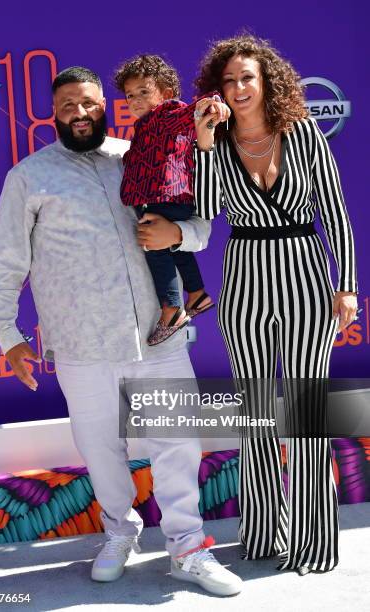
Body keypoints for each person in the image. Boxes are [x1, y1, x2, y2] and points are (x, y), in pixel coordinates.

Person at [0, 66, 242, 597]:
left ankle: (188, 547)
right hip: (82, 344)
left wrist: (182, 232)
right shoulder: (29, 177)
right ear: (54, 115)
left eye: (90, 103)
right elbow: (5, 263)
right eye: (68, 106)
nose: (81, 113)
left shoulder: (142, 153)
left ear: (107, 106)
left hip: (159, 333)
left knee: (177, 443)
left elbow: (203, 221)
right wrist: (7, 336)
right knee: (101, 447)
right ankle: (120, 532)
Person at [192, 35, 358, 575]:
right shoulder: (215, 141)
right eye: (229, 81)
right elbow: (208, 207)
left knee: (306, 412)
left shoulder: (304, 134)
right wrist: (205, 141)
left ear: (267, 82)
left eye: (247, 78)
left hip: (307, 280)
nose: (239, 89)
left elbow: (335, 213)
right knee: (257, 411)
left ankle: (313, 542)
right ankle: (265, 534)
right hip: (244, 284)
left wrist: (348, 284)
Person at [114, 55, 229, 345]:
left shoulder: (167, 113)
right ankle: (198, 293)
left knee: (154, 245)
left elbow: (191, 113)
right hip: (165, 196)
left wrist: (211, 106)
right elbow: (141, 155)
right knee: (175, 249)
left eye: (144, 91)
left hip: (166, 194)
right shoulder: (144, 126)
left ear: (165, 93)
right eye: (130, 95)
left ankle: (172, 308)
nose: (136, 100)